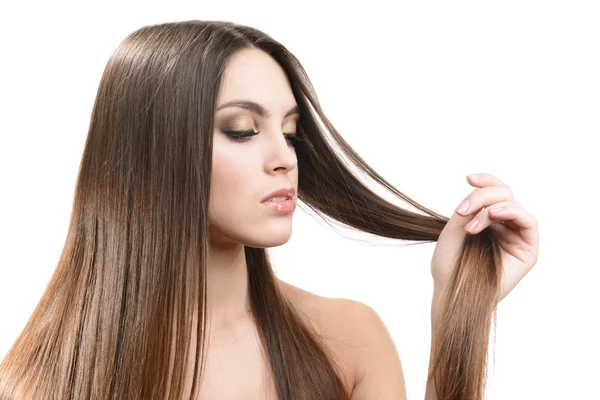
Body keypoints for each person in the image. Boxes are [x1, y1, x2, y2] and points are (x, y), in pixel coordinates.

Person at [0, 20, 539, 400]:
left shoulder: (347, 340)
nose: (285, 158)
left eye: (290, 131)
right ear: (153, 150)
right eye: (242, 130)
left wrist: (461, 308)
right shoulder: (40, 379)